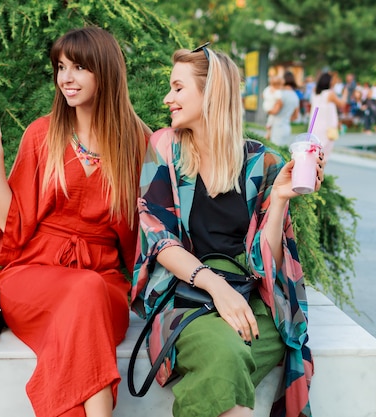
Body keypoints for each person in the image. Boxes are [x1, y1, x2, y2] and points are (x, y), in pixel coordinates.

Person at [0, 27, 149, 417]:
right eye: (60, 67)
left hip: (103, 283)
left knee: (90, 290)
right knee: (85, 291)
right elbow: (13, 224)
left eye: (78, 67)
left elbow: (146, 234)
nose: (66, 78)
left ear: (106, 71)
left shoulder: (138, 142)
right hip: (35, 275)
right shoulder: (42, 133)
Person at [131, 44, 321, 417]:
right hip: (184, 296)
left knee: (227, 358)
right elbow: (158, 238)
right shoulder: (164, 149)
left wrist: (280, 198)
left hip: (251, 301)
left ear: (211, 92)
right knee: (226, 353)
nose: (168, 98)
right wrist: (216, 289)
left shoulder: (264, 163)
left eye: (178, 88)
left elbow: (266, 262)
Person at [309, 72, 346, 162]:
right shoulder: (330, 93)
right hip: (327, 129)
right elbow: (342, 104)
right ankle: (320, 175)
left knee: (314, 154)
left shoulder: (315, 92)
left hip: (315, 127)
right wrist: (345, 93)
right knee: (323, 157)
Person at [268, 71, 300, 146]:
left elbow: (275, 111)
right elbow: (295, 116)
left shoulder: (280, 94)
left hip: (277, 127)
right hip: (286, 127)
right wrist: (286, 117)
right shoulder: (295, 96)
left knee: (275, 152)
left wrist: (268, 110)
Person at [261, 75, 283, 140]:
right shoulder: (277, 91)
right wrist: (281, 105)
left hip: (266, 106)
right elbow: (280, 100)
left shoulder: (267, 89)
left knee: (270, 117)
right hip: (272, 107)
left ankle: (268, 130)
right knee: (272, 118)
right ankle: (268, 130)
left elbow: (262, 96)